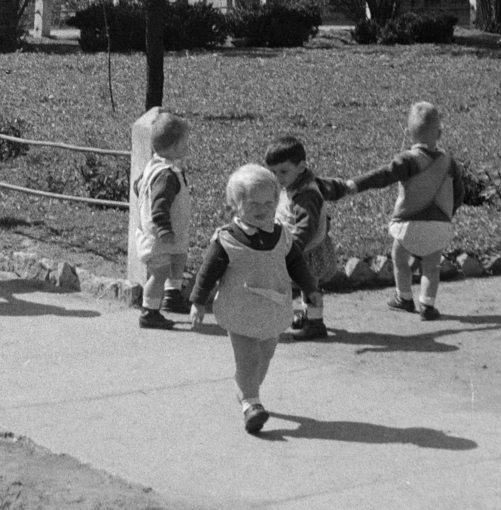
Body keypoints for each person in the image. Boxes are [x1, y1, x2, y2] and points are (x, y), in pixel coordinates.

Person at [189, 164, 318, 434]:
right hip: (240, 309)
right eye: (253, 203)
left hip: (273, 307)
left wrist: (310, 288)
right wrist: (198, 301)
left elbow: (296, 263)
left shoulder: (282, 235)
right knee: (248, 359)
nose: (262, 209)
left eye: (269, 202)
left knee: (265, 356)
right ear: (234, 205)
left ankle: (248, 391)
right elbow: (208, 271)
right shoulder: (227, 239)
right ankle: (251, 403)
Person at [348, 101, 467, 322]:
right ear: (439, 133)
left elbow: (383, 176)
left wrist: (355, 184)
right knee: (432, 267)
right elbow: (459, 193)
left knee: (399, 258)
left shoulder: (407, 160)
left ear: (408, 133)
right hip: (439, 224)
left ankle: (404, 297)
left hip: (408, 225)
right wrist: (448, 215)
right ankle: (428, 305)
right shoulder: (450, 163)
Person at [266, 134, 350, 340]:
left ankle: (316, 323)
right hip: (300, 248)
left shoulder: (307, 194)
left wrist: (292, 248)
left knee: (310, 286)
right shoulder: (293, 186)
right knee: (306, 286)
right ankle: (307, 316)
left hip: (308, 250)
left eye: (283, 172)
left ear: (301, 167)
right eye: (273, 172)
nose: (278, 177)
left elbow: (306, 226)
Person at [132, 110, 192, 330]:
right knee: (159, 273)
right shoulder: (166, 175)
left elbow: (138, 185)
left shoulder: (154, 166)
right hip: (159, 235)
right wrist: (163, 228)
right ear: (175, 146)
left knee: (178, 257)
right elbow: (159, 207)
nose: (187, 147)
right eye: (185, 142)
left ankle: (172, 295)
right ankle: (149, 311)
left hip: (169, 234)